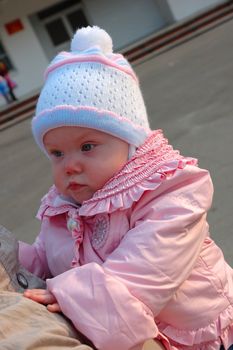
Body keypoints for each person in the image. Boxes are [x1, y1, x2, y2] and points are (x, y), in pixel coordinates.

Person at [18, 26, 233, 350]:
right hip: (136, 330)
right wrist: (11, 258)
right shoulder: (65, 207)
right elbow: (44, 261)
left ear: (131, 144)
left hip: (202, 334)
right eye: (57, 153)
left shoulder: (172, 192)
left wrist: (73, 295)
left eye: (87, 146)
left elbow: (147, 268)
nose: (70, 165)